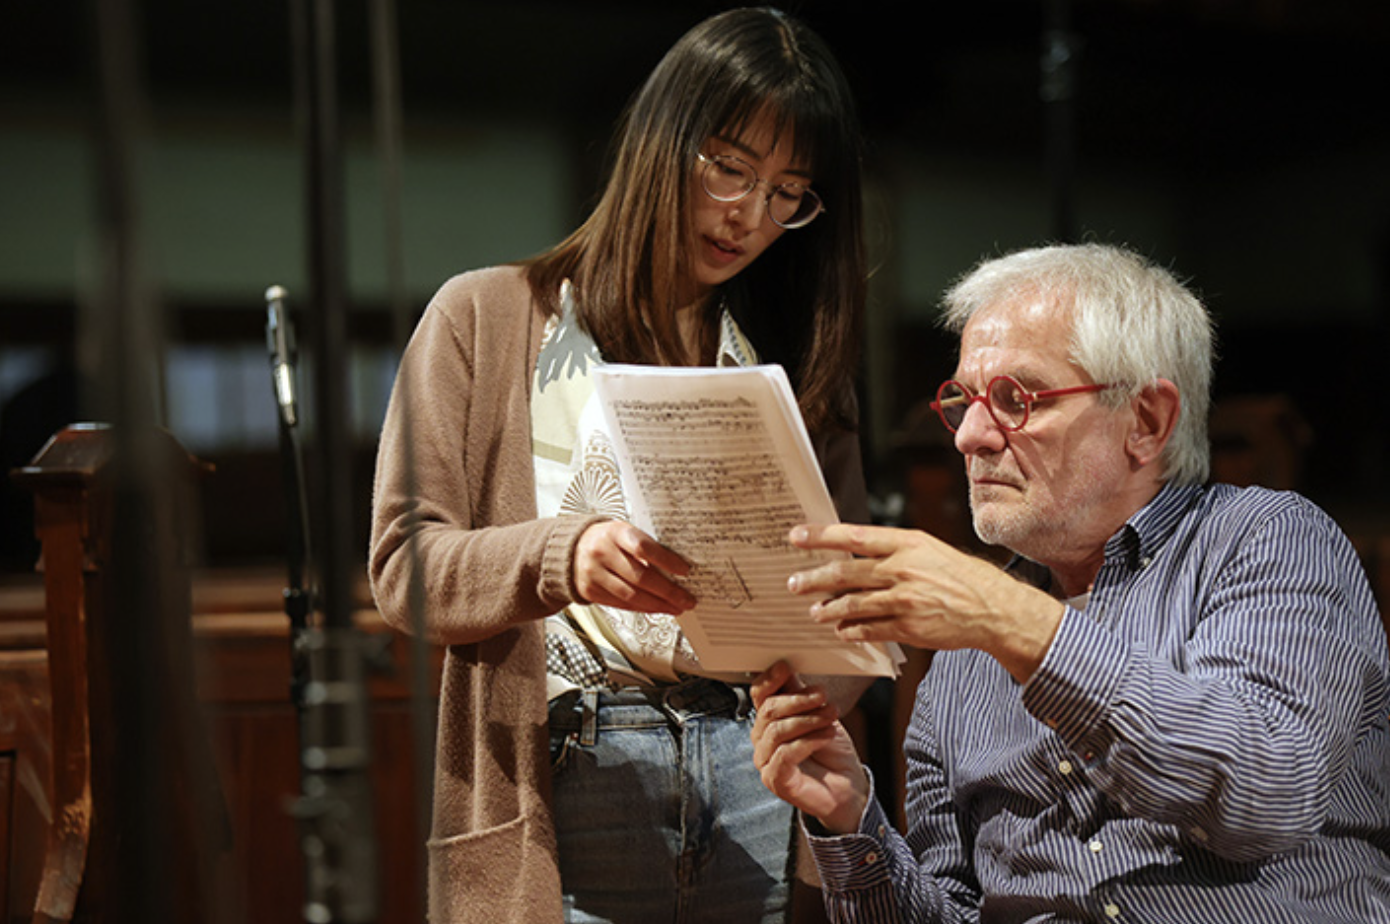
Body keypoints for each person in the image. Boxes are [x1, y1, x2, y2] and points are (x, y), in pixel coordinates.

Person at [369, 8, 872, 922]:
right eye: (730, 168)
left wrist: (820, 674)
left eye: (787, 194)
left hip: (750, 770)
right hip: (573, 761)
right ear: (660, 139)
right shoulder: (486, 317)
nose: (749, 216)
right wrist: (562, 553)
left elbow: (851, 611)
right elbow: (405, 567)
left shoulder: (789, 363)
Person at [750, 243, 1390, 922]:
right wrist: (851, 820)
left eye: (1014, 399)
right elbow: (953, 910)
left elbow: (1266, 795)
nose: (969, 436)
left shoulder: (1266, 540)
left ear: (1146, 421)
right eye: (963, 400)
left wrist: (1010, 621)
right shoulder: (963, 658)